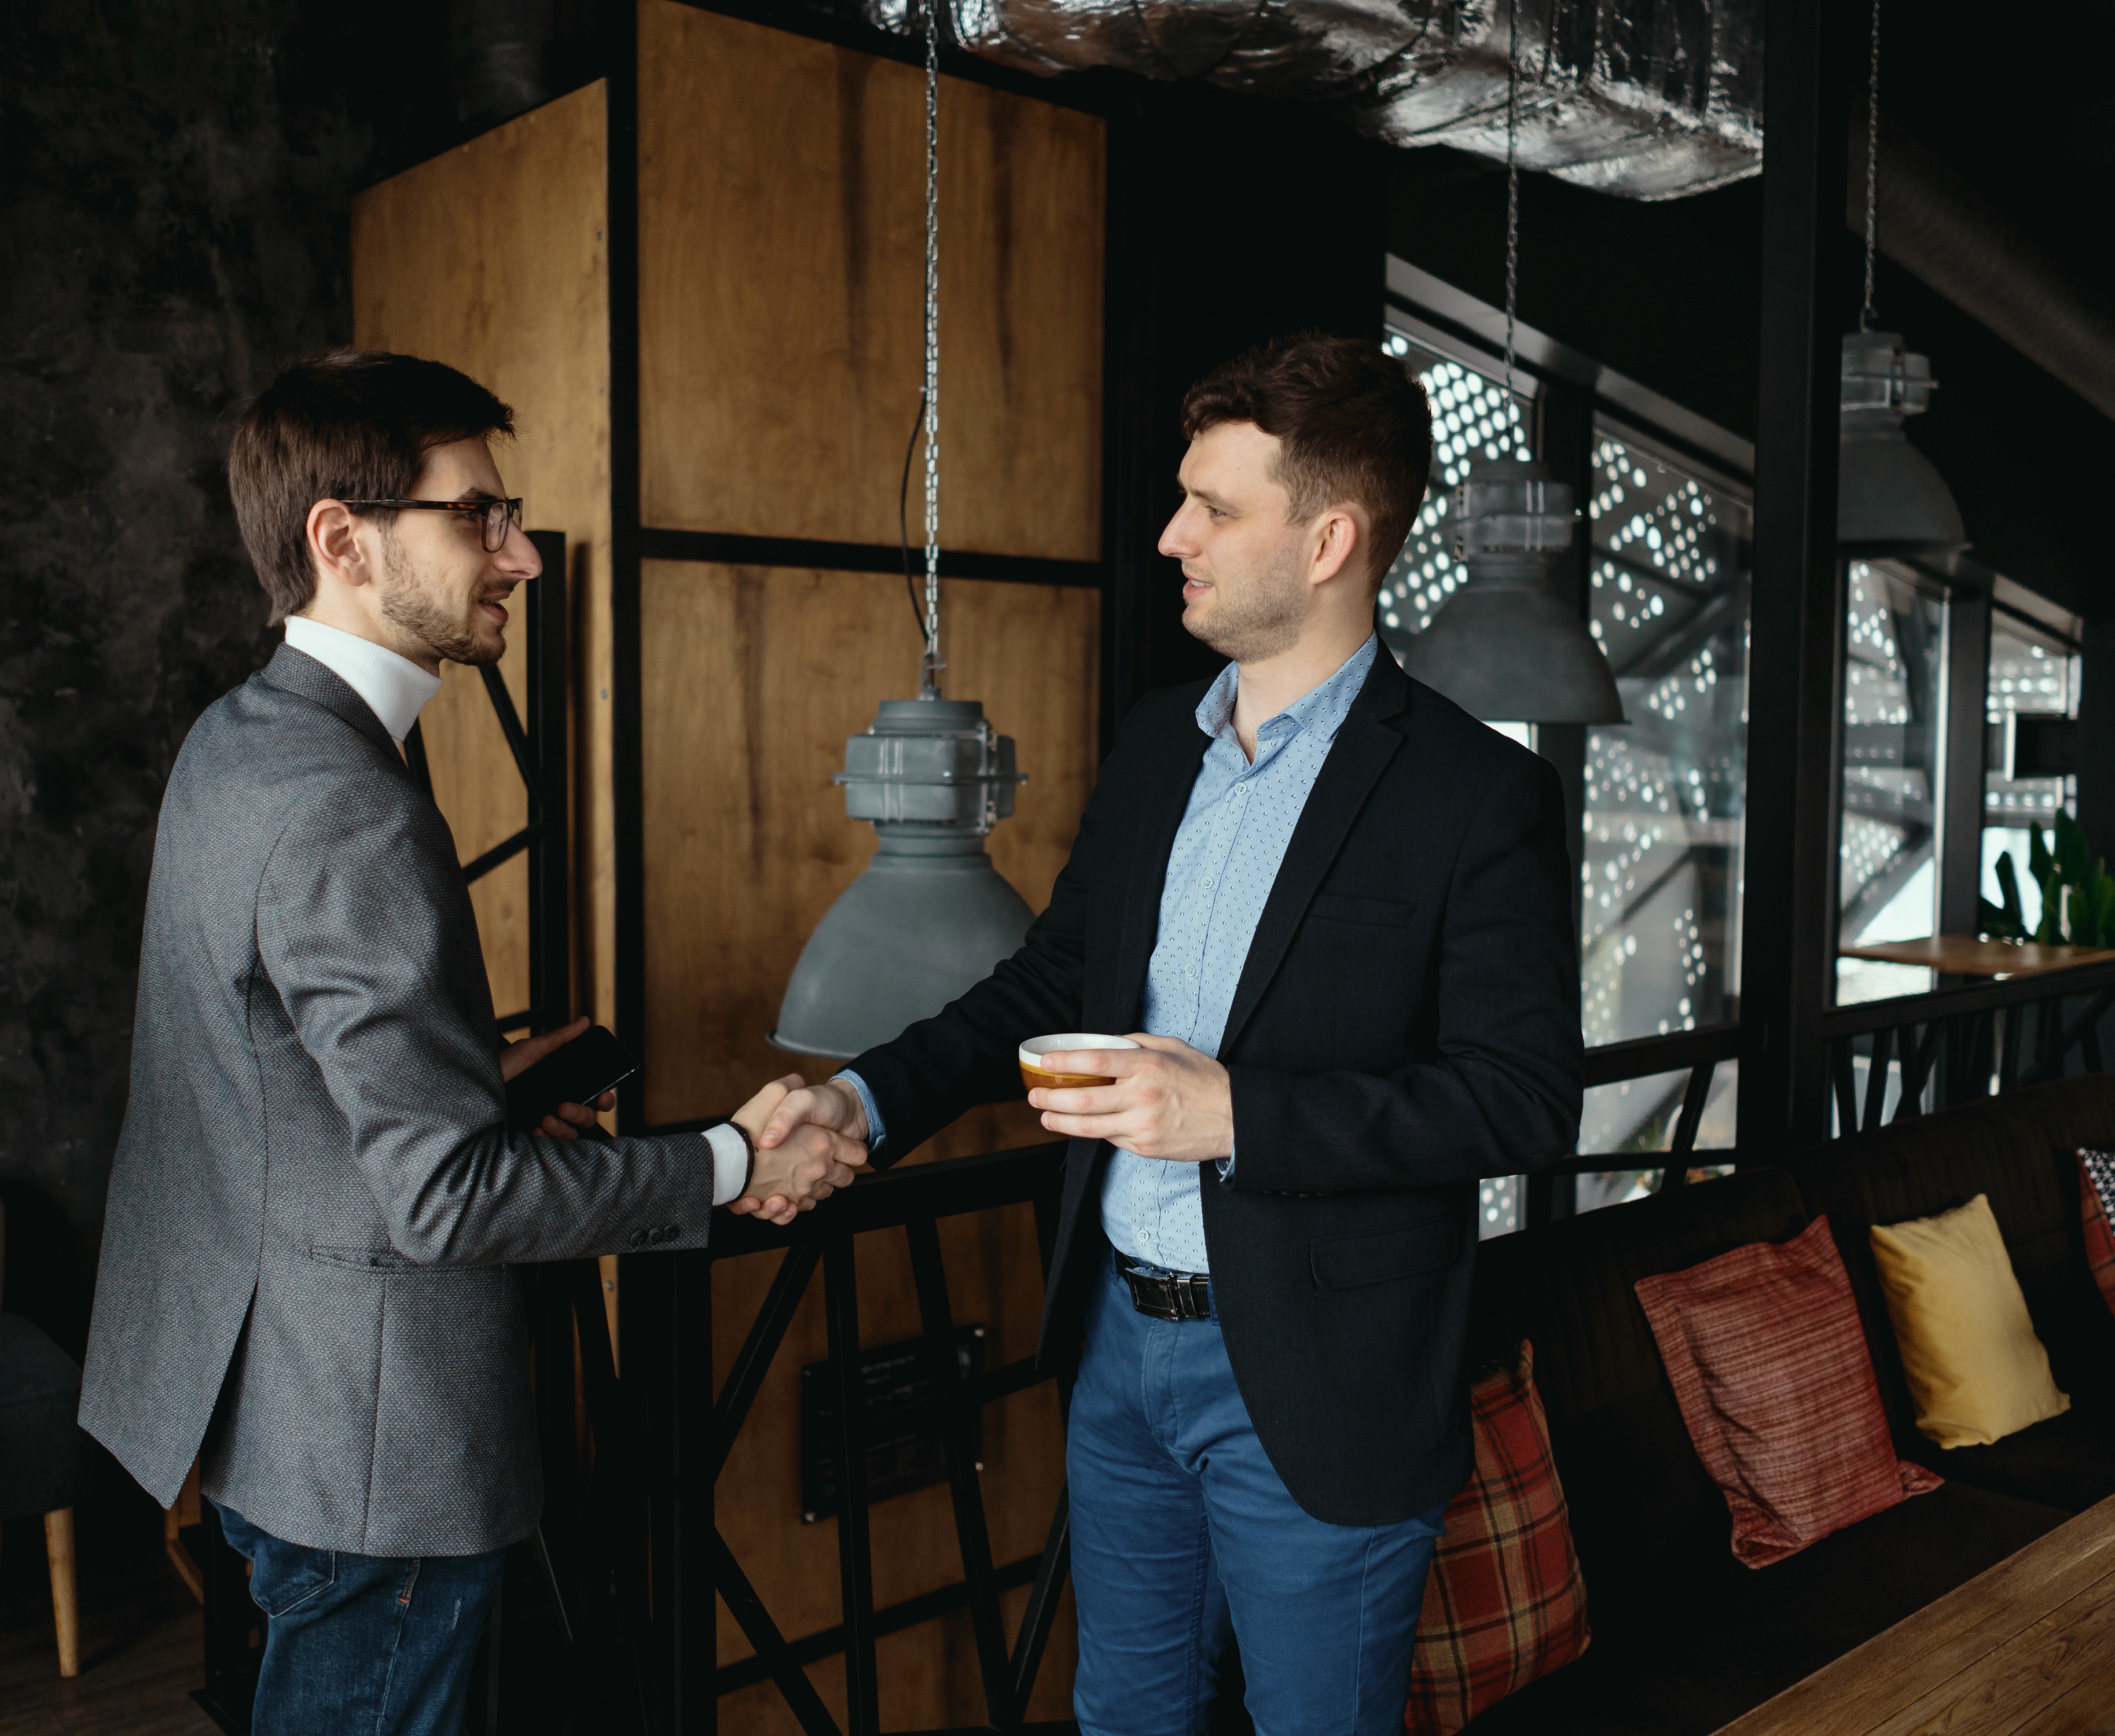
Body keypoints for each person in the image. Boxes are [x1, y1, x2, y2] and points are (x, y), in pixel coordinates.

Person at [753, 332, 1582, 1735]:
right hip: (1119, 1347)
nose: (1170, 534)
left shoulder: (1475, 793)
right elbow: (1049, 983)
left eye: (1214, 508)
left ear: (1329, 539)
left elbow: (1517, 1103)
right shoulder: (1158, 743)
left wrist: (1236, 1117)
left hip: (1322, 1387)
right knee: (1123, 1721)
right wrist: (866, 1104)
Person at [78, 350, 865, 1736]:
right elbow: (450, 1202)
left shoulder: (237, 736)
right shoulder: (350, 804)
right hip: (372, 1453)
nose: (522, 558)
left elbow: (256, 1060)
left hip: (267, 1399)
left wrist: (469, 1078)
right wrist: (733, 1158)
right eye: (477, 518)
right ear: (343, 539)